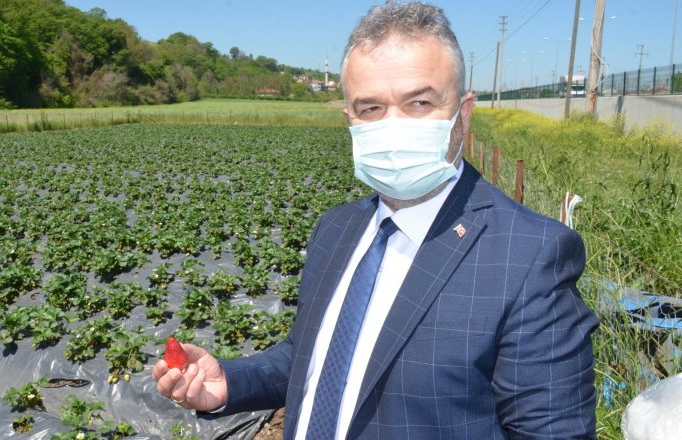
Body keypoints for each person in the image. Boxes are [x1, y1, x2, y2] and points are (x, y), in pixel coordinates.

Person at [152, 2, 599, 438]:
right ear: (350, 119)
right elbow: (311, 354)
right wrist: (229, 382)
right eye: (371, 109)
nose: (394, 125)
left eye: (420, 102)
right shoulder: (336, 228)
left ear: (463, 113)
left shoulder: (528, 255)